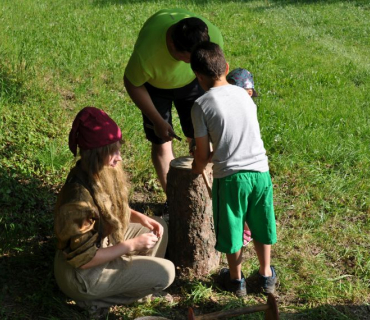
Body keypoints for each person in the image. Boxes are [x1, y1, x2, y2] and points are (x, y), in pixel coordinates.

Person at [54, 107, 175, 318]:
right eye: (113, 152)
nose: (119, 158)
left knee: (159, 226)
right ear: (96, 154)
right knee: (167, 273)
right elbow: (83, 259)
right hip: (81, 275)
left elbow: (109, 207)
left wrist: (141, 217)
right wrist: (131, 246)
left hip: (101, 246)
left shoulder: (96, 170)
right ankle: (93, 301)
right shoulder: (78, 201)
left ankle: (132, 280)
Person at [190, 42, 277, 297]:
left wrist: (196, 167)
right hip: (261, 173)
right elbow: (239, 139)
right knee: (261, 225)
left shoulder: (201, 105)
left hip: (230, 179)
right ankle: (265, 275)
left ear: (198, 76)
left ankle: (236, 281)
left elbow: (203, 155)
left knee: (232, 228)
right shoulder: (244, 95)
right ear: (226, 68)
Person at [124, 8, 223, 195]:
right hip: (155, 87)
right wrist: (157, 120)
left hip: (193, 83)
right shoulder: (146, 54)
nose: (195, 62)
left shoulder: (213, 36)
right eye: (190, 59)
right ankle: (174, 199)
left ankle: (206, 194)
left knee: (201, 136)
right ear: (172, 44)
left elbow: (214, 77)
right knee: (162, 141)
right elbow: (132, 83)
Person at [226, 67, 259, 246]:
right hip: (240, 161)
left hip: (244, 163)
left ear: (249, 92)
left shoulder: (247, 109)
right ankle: (244, 225)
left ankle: (245, 227)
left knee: (242, 199)